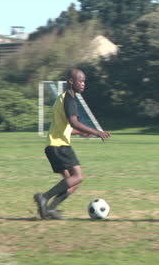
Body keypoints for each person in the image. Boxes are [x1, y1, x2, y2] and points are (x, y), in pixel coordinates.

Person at [34, 68, 110, 220]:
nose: (83, 84)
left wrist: (81, 132)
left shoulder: (62, 98)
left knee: (72, 183)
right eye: (80, 81)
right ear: (71, 81)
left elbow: (64, 128)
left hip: (53, 145)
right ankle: (44, 197)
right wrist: (96, 132)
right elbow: (73, 122)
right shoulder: (70, 99)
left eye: (84, 81)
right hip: (60, 146)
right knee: (78, 176)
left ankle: (49, 209)